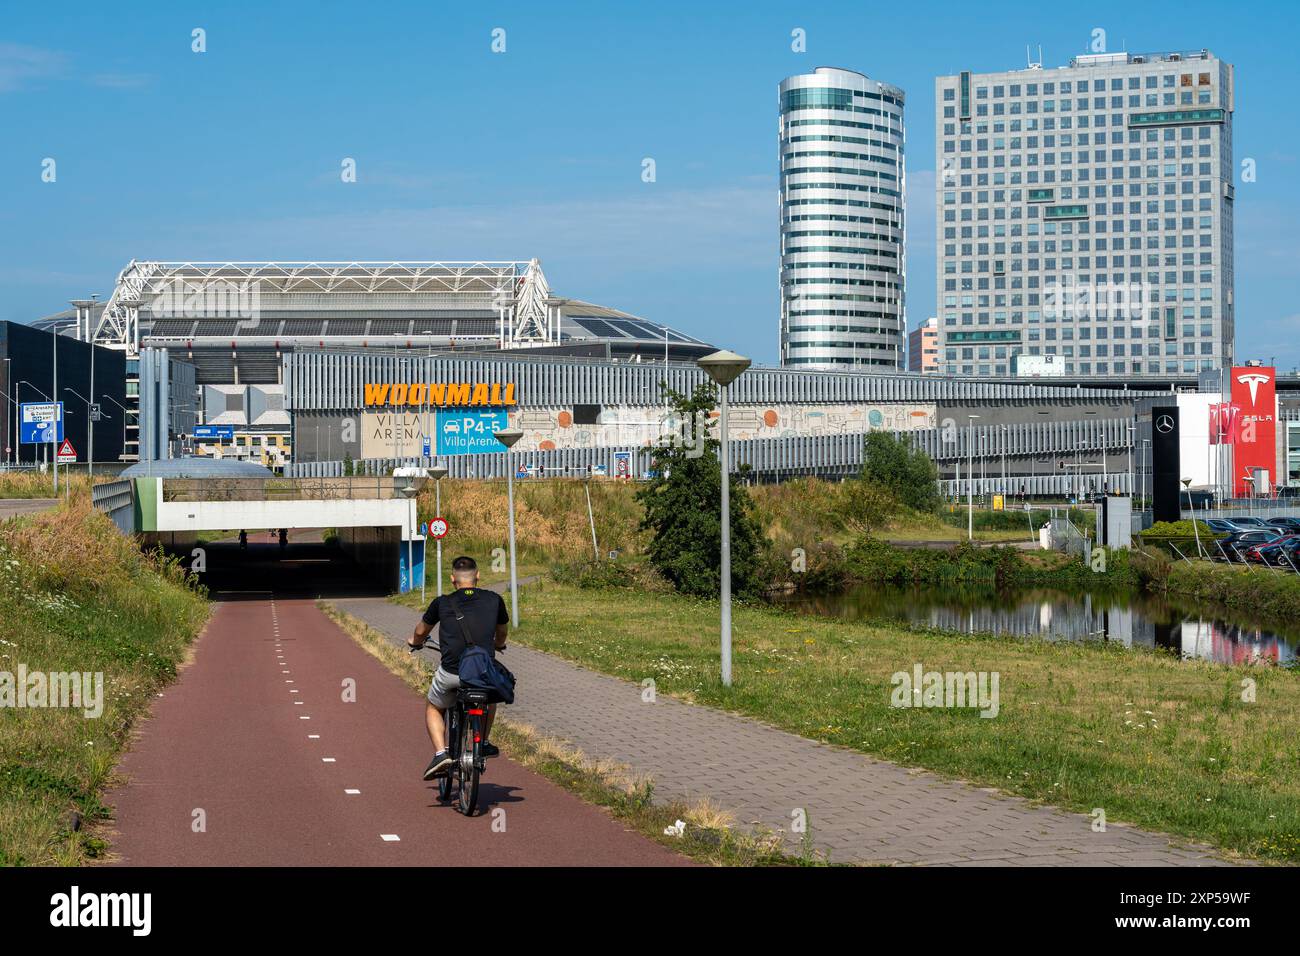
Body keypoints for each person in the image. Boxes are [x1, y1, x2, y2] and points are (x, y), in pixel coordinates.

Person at [408, 555, 508, 779]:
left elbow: (421, 631)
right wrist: (498, 645)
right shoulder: (495, 600)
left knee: (434, 706)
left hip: (451, 673)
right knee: (489, 698)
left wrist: (414, 642)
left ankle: (441, 754)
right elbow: (501, 633)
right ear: (478, 576)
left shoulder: (442, 602)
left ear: (453, 579)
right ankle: (482, 742)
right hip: (481, 673)